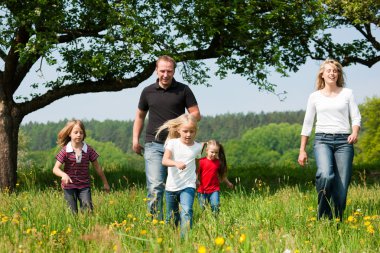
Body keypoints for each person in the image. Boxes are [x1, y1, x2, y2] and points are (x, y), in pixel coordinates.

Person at [132, 55, 201, 220]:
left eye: (169, 71)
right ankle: (156, 224)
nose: (165, 74)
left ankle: (174, 221)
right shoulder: (147, 91)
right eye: (162, 71)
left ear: (174, 71)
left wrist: (178, 123)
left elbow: (196, 114)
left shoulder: (183, 90)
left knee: (177, 186)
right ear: (156, 70)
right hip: (153, 145)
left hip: (178, 145)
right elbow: (140, 116)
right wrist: (135, 139)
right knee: (155, 186)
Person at [298, 59, 361, 221]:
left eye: (335, 70)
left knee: (341, 189)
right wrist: (302, 150)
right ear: (322, 74)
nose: (332, 73)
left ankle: (337, 222)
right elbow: (307, 123)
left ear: (338, 74)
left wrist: (354, 132)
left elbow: (356, 117)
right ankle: (324, 216)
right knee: (325, 174)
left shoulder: (347, 93)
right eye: (329, 71)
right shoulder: (314, 97)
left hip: (344, 143)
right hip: (322, 140)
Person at [157, 114, 203, 237]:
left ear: (195, 131)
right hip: (172, 186)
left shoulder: (198, 147)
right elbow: (164, 161)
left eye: (192, 131)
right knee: (172, 216)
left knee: (187, 211)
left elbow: (197, 164)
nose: (188, 134)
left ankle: (184, 240)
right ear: (178, 130)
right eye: (185, 131)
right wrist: (176, 163)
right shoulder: (172, 143)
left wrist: (197, 178)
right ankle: (171, 238)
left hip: (188, 185)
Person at [53, 120, 110, 213]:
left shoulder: (88, 150)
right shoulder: (65, 151)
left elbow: (98, 167)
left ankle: (88, 227)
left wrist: (105, 183)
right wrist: (63, 175)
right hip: (69, 186)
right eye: (76, 132)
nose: (79, 135)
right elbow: (55, 169)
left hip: (84, 186)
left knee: (88, 211)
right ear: (69, 134)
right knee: (72, 213)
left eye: (81, 132)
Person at [197, 140, 234, 214]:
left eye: (216, 152)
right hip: (202, 190)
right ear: (206, 151)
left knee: (215, 205)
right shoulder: (201, 161)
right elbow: (196, 173)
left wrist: (228, 183)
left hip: (214, 190)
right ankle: (204, 221)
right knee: (202, 208)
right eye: (212, 152)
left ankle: (215, 219)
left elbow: (221, 175)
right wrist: (196, 181)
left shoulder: (218, 162)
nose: (214, 154)